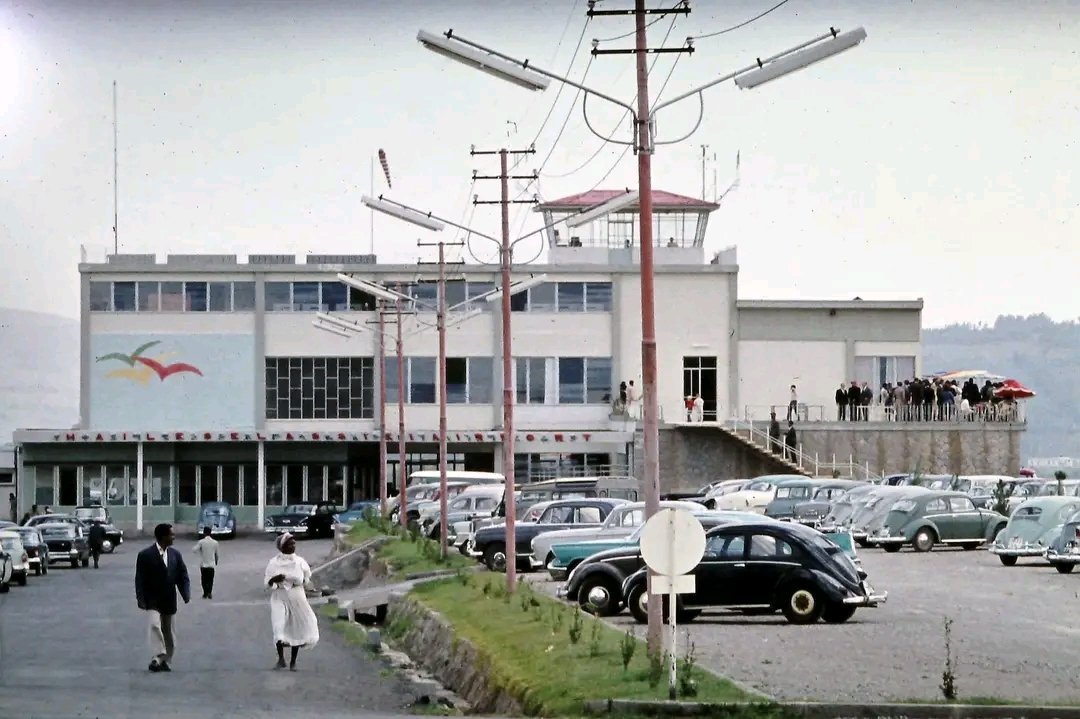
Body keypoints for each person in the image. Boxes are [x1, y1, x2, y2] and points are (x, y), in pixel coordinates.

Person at [135, 523, 191, 673]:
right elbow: (139, 579)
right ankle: (158, 655)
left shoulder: (175, 555)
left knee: (169, 632)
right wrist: (140, 599)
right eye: (171, 535)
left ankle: (165, 660)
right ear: (163, 537)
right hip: (152, 599)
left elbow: (182, 576)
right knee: (154, 625)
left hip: (169, 599)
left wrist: (185, 593)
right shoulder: (145, 555)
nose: (173, 537)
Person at [265, 532, 319, 671]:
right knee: (279, 626)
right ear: (282, 546)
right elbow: (267, 582)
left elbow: (307, 577)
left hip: (297, 596)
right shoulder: (273, 563)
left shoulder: (300, 562)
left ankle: (293, 662)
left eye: (294, 543)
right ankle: (281, 658)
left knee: (296, 627)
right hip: (280, 596)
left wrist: (304, 583)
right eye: (290, 543)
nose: (293, 545)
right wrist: (274, 580)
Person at [193, 527, 220, 599]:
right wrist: (216, 561)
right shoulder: (215, 542)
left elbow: (194, 550)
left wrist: (201, 551)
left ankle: (205, 592)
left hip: (203, 564)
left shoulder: (201, 542)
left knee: (204, 580)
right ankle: (209, 592)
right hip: (211, 564)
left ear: (204, 533)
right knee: (210, 579)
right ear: (210, 533)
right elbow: (217, 554)